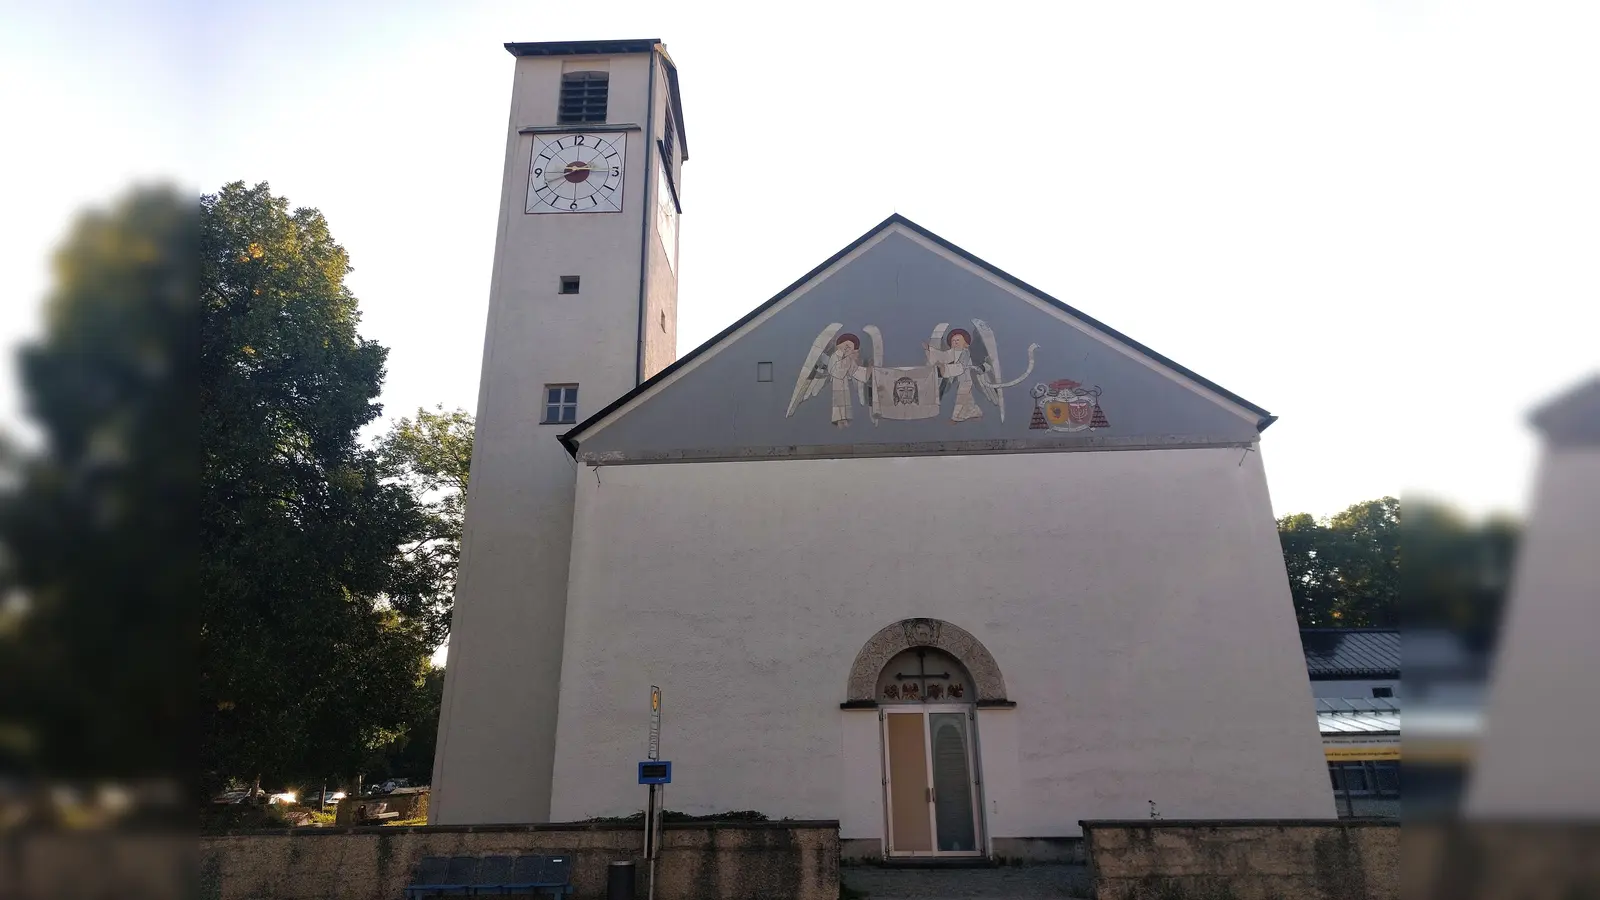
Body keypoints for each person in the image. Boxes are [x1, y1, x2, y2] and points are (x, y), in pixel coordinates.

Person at [924, 329, 983, 423]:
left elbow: (961, 367)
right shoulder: (953, 352)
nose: (955, 342)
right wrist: (930, 350)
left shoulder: (965, 352)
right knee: (967, 397)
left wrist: (945, 369)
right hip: (960, 378)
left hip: (966, 379)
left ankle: (956, 418)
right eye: (953, 341)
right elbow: (943, 356)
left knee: (961, 396)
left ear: (965, 343)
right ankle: (974, 412)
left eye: (958, 340)